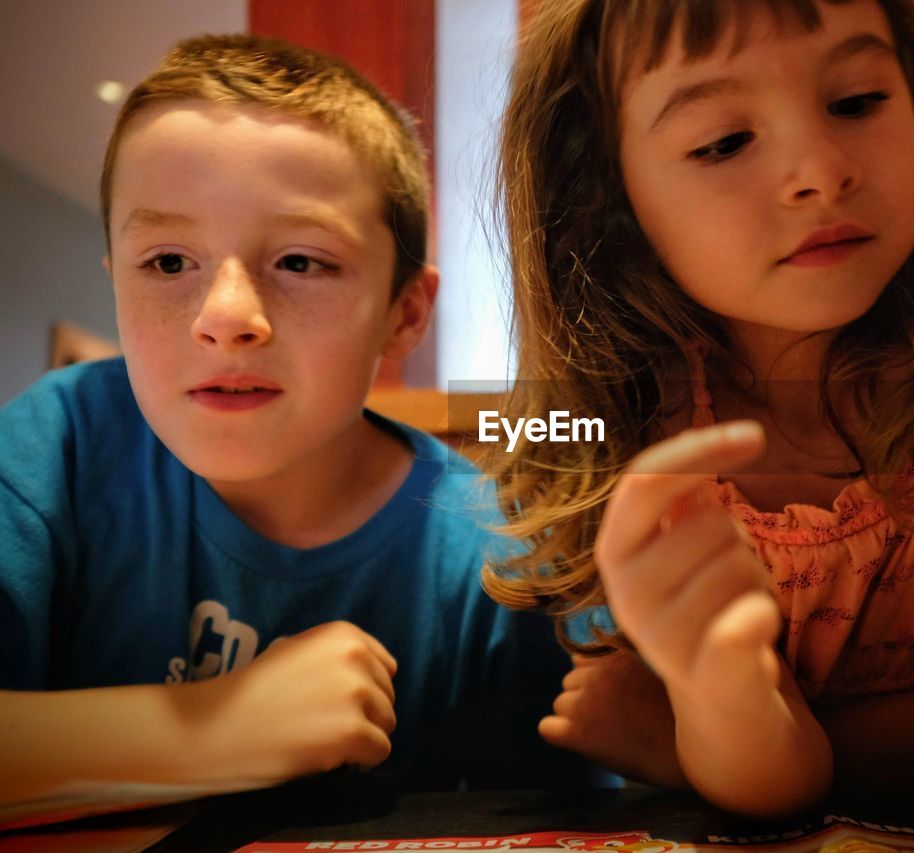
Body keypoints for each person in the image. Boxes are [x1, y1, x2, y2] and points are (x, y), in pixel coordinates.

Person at [483, 0, 914, 818]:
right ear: (607, 199)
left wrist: (686, 744)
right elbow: (513, 439)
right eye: (724, 142)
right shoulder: (613, 400)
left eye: (856, 101)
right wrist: (727, 725)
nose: (821, 169)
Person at [0, 34, 588, 808]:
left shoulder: (490, 564)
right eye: (169, 263)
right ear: (116, 281)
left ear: (404, 313)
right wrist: (219, 728)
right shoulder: (58, 448)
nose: (226, 317)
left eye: (301, 262)